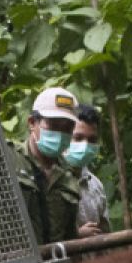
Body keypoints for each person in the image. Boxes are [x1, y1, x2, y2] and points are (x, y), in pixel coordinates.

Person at [13, 87, 83, 245]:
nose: (60, 134)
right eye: (53, 125)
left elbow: (69, 238)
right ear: (32, 123)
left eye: (67, 128)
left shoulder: (69, 174)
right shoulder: (9, 156)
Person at [66, 103, 111, 238]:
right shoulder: (49, 181)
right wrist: (77, 235)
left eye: (92, 139)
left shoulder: (95, 185)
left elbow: (105, 232)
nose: (85, 145)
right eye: (78, 138)